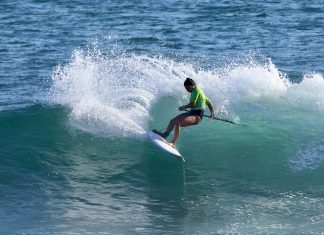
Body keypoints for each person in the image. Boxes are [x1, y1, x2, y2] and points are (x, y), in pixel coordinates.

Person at [153, 77, 215, 148]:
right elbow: (209, 103)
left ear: (192, 85)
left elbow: (192, 104)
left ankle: (173, 143)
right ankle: (165, 135)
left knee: (178, 123)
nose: (187, 90)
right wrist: (212, 113)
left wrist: (183, 107)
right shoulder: (200, 91)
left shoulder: (196, 90)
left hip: (197, 116)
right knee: (173, 121)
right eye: (186, 88)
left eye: (187, 88)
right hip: (192, 113)